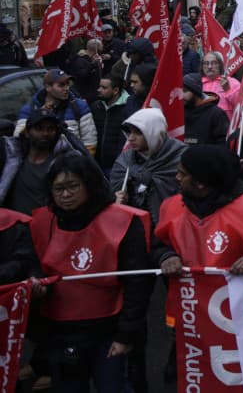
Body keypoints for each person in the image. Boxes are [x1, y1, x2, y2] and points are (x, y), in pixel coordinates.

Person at [29, 153, 153, 392]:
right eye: (59, 189)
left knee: (112, 386)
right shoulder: (42, 222)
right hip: (60, 331)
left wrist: (126, 334)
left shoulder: (122, 221)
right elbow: (32, 264)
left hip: (109, 328)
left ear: (90, 184)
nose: (65, 195)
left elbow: (137, 283)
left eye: (73, 186)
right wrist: (37, 284)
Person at [155, 145, 243, 274]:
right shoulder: (170, 205)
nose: (177, 178)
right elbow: (158, 243)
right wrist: (166, 256)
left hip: (233, 290)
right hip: (186, 291)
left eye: (183, 174)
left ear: (201, 184)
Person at [0, 107, 89, 213]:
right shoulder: (12, 156)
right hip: (13, 223)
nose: (45, 133)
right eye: (39, 128)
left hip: (44, 224)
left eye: (50, 129)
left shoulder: (64, 163)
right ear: (27, 132)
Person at [111, 107, 183, 224]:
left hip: (169, 227)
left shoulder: (179, 157)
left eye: (138, 133)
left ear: (154, 132)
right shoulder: (124, 161)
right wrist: (118, 200)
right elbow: (112, 194)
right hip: (133, 227)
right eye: (129, 132)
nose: (130, 138)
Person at [15, 68, 99, 153]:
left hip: (72, 162)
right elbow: (19, 139)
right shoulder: (30, 109)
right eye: (61, 85)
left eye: (67, 84)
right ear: (48, 87)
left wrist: (84, 163)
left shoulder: (79, 106)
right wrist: (38, 116)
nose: (66, 88)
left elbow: (90, 142)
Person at [92, 74, 132, 172]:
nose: (99, 90)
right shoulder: (96, 106)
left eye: (104, 88)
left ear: (115, 90)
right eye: (99, 86)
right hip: (96, 164)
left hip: (117, 165)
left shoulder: (128, 108)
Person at [182, 72, 228, 147]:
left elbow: (222, 145)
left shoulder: (216, 114)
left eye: (185, 91)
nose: (181, 95)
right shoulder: (179, 112)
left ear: (196, 91)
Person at [200, 51, 242, 119]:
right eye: (206, 63)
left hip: (227, 127)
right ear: (202, 66)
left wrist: (228, 90)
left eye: (213, 63)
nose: (209, 66)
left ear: (220, 65)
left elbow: (241, 106)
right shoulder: (197, 84)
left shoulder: (233, 82)